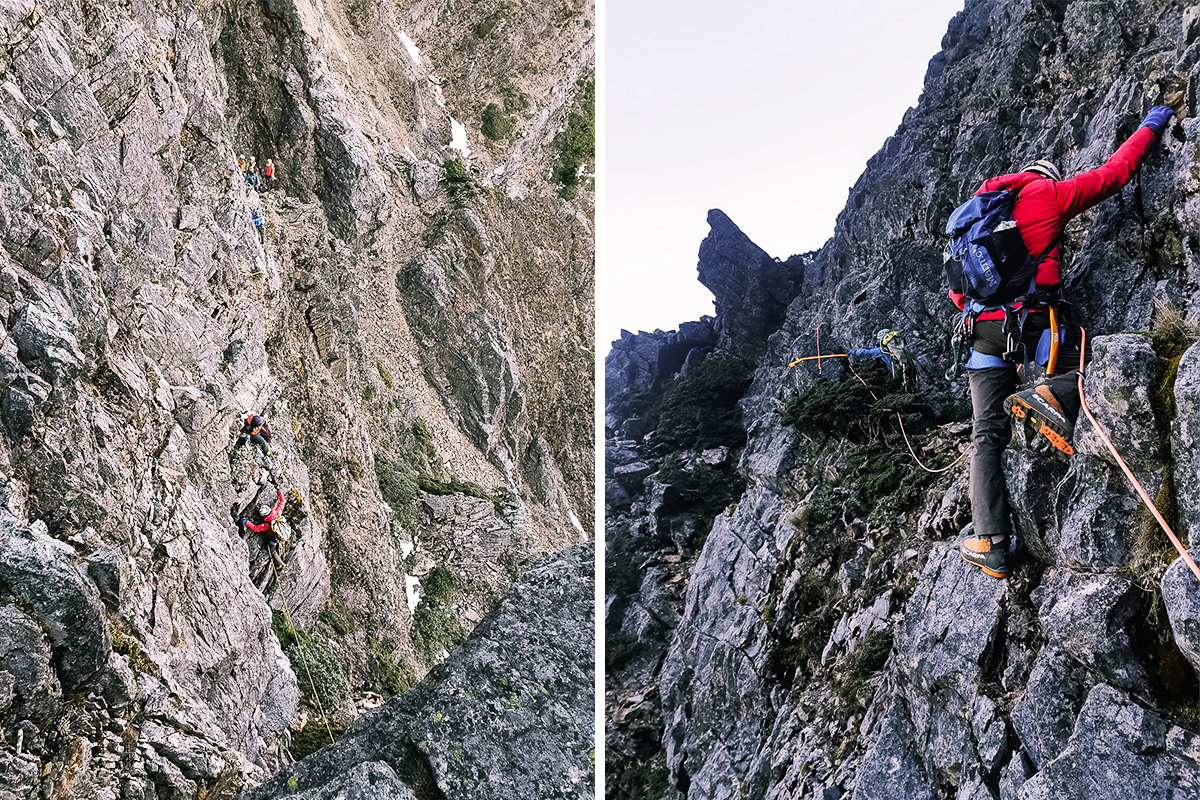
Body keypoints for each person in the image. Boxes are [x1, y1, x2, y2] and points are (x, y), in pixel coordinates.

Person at [955, 105, 1175, 579]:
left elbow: (959, 291)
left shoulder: (974, 216)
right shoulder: (1048, 196)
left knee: (986, 434)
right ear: (1046, 177)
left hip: (983, 336)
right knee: (1088, 366)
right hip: (1035, 325)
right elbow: (1115, 173)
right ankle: (1052, 392)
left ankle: (989, 540)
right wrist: (1152, 124)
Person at [847, 329, 917, 391]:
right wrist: (869, 348)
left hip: (895, 374)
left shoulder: (882, 350)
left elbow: (868, 353)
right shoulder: (897, 345)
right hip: (905, 368)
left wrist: (854, 352)